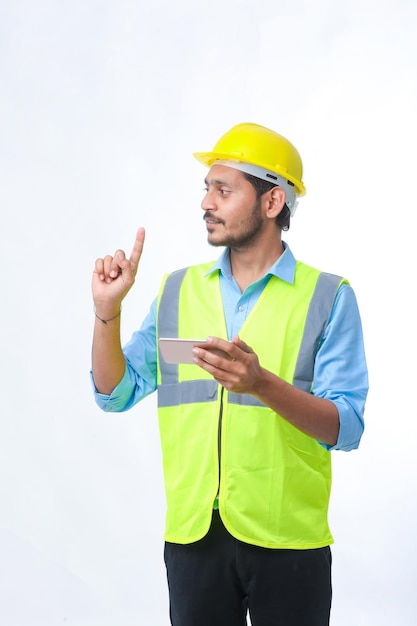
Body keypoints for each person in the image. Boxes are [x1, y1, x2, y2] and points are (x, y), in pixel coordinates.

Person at [91, 122, 368, 626]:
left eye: (223, 189)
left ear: (272, 202)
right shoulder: (177, 291)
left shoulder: (329, 297)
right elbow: (114, 392)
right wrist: (107, 314)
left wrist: (260, 384)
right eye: (206, 189)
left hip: (289, 540)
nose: (206, 202)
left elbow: (344, 427)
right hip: (195, 537)